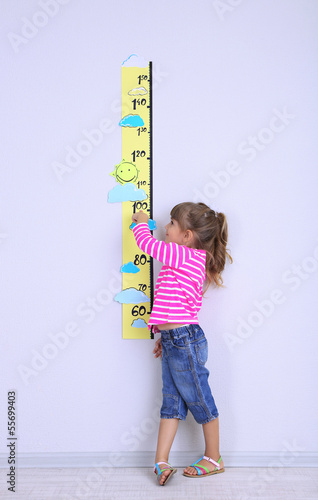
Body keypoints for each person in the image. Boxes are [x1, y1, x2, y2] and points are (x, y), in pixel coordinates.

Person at [131, 202, 232, 486]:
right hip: (177, 340)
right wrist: (164, 335)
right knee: (172, 404)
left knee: (199, 398)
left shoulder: (184, 255)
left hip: (185, 340)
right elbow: (171, 301)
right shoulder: (184, 258)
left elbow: (147, 245)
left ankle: (214, 457)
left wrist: (140, 221)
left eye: (172, 223)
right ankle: (161, 462)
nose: (165, 227)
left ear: (187, 236)